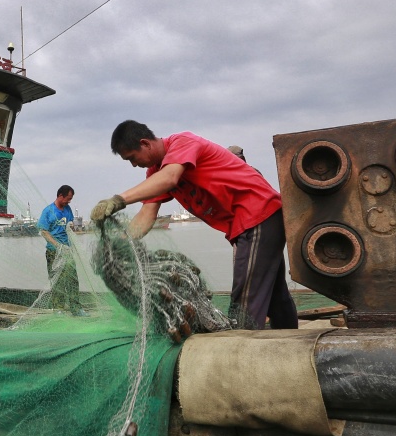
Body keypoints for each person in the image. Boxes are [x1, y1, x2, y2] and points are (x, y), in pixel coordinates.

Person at [90, 121, 298, 331]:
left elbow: (170, 178)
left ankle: (239, 348)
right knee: (275, 295)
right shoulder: (155, 173)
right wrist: (121, 244)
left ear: (145, 143)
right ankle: (290, 341)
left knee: (245, 298)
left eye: (132, 158)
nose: (134, 165)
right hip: (255, 220)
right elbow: (147, 214)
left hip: (258, 214)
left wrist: (119, 200)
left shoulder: (182, 142)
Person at [38, 185, 84, 315]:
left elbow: (69, 226)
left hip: (67, 251)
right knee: (57, 281)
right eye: (68, 198)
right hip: (53, 252)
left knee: (72, 279)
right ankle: (59, 309)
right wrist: (58, 246)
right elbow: (43, 231)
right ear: (60, 196)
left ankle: (76, 309)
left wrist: (72, 239)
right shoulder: (48, 211)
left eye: (71, 199)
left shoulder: (67, 209)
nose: (69, 201)